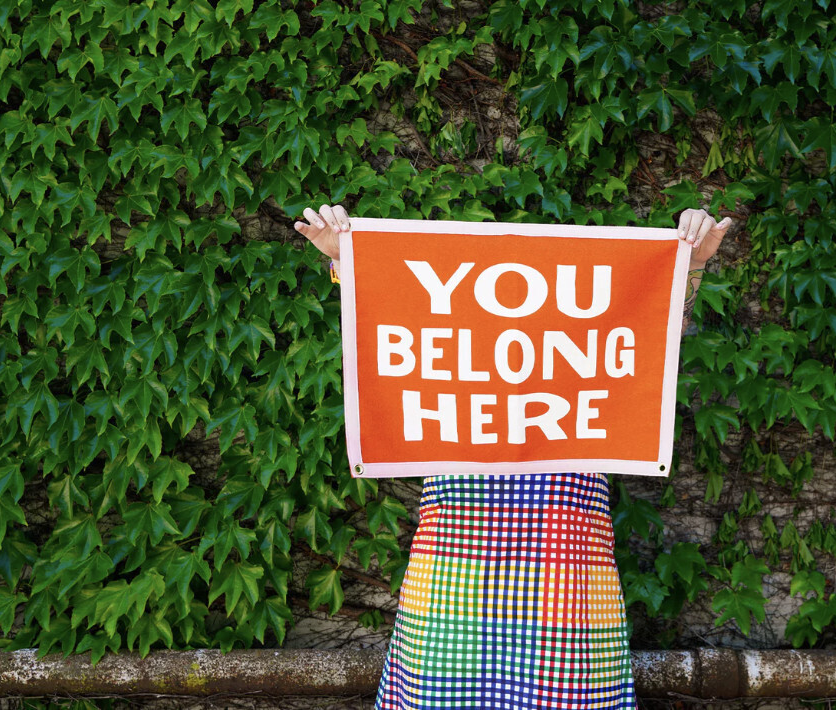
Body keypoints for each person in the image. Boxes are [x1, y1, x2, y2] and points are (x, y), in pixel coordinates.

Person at [294, 205, 731, 709]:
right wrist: (345, 259)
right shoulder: (447, 350)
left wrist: (691, 263)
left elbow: (648, 337)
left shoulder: (591, 347)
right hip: (452, 581)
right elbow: (391, 313)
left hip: (568, 583)